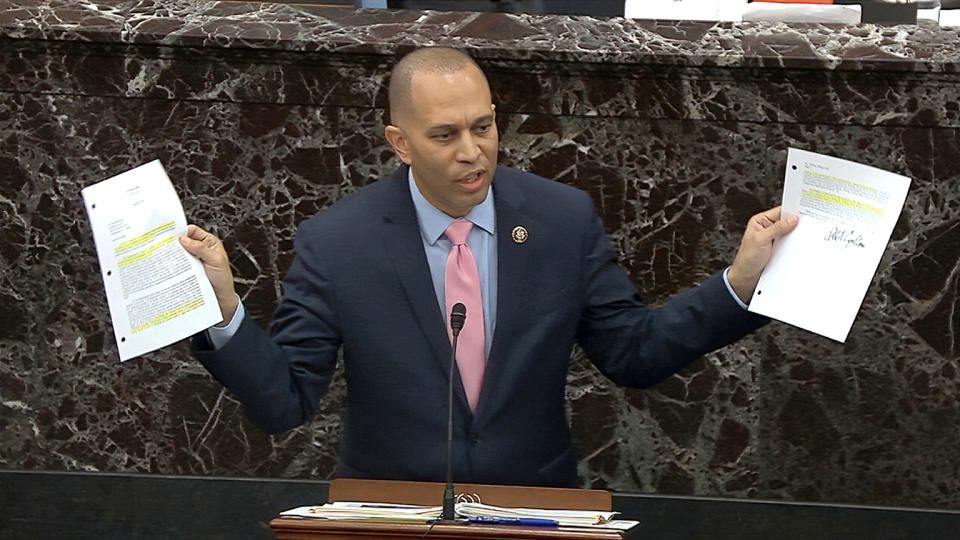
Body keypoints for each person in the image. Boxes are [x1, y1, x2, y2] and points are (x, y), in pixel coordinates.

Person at [180, 47, 797, 487]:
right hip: (393, 513)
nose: (473, 152)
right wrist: (226, 311)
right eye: (445, 135)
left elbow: (634, 354)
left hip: (532, 508)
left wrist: (738, 283)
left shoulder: (561, 220)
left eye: (484, 126)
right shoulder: (339, 242)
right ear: (400, 143)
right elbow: (284, 403)